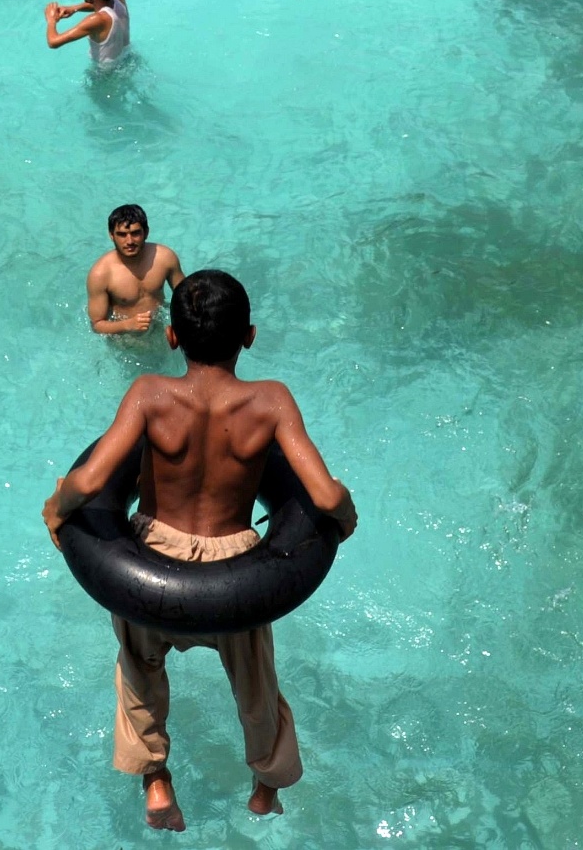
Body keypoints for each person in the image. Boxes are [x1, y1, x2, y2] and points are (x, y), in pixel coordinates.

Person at [42, 270, 357, 832]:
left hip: (149, 565)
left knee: (138, 674)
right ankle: (265, 786)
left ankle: (157, 783)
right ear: (250, 337)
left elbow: (91, 481)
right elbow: (326, 494)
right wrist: (346, 516)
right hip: (238, 574)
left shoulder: (149, 395)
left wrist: (56, 508)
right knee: (257, 684)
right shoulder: (271, 400)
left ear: (172, 338)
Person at [87, 204, 186, 336]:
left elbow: (186, 297)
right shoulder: (101, 274)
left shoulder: (165, 258)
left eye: (135, 233)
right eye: (122, 234)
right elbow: (97, 324)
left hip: (159, 328)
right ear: (111, 235)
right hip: (125, 339)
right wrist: (127, 325)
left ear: (146, 232)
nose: (129, 241)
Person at [45, 0, 129, 68]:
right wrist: (74, 9)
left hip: (106, 76)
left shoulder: (97, 20)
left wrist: (51, 20)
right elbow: (101, 5)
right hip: (126, 60)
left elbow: (53, 42)